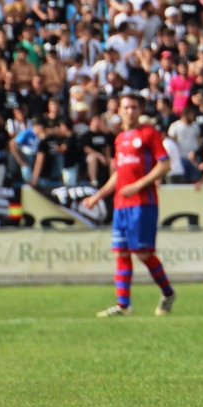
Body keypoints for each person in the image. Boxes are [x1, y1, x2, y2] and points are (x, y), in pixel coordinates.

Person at [81, 94, 176, 318]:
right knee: (121, 252)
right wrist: (98, 196)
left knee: (142, 253)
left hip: (143, 203)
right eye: (126, 107)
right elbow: (119, 175)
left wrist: (139, 185)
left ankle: (168, 293)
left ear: (139, 110)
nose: (130, 111)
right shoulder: (119, 139)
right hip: (121, 205)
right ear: (120, 111)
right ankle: (123, 304)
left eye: (134, 107)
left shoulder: (149, 134)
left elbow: (164, 166)